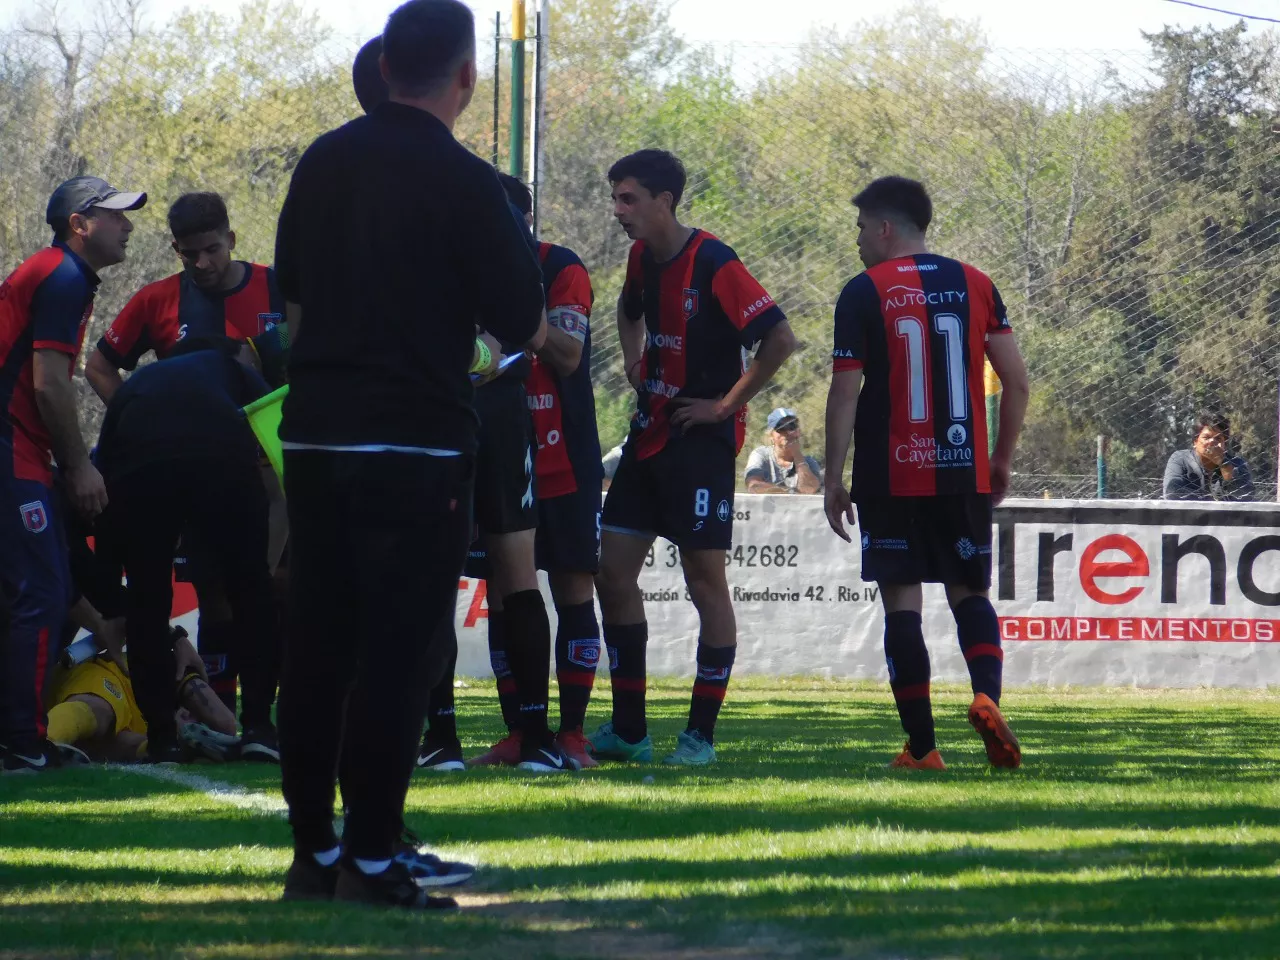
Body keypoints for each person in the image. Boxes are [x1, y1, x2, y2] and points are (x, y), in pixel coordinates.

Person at [274, 0, 545, 910]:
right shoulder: (467, 180)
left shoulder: (322, 161)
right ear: (467, 78)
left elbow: (293, 305)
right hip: (418, 443)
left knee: (316, 647)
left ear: (385, 67)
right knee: (397, 656)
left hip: (313, 433)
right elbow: (519, 321)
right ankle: (375, 861)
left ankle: (312, 853)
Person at [589, 149, 796, 767]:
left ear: (664, 202)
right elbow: (628, 313)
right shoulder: (638, 260)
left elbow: (779, 339)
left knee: (705, 581)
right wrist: (634, 363)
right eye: (616, 198)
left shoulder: (714, 261)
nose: (619, 210)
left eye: (629, 199)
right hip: (646, 438)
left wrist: (722, 406)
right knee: (612, 573)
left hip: (699, 449)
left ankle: (699, 737)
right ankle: (630, 730)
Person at [823, 175, 1029, 771]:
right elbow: (1015, 381)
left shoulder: (862, 292)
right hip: (963, 468)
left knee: (901, 606)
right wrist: (1001, 459)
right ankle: (986, 695)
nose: (858, 239)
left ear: (885, 228)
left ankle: (922, 748)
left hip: (892, 473)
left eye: (861, 227)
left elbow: (844, 393)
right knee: (971, 591)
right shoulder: (977, 284)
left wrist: (834, 477)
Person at [85, 191, 287, 729]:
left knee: (270, 584)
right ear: (176, 249)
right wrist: (147, 426)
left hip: (266, 466)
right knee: (213, 590)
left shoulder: (281, 288)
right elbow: (100, 367)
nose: (202, 263)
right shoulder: (156, 300)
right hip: (195, 467)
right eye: (189, 253)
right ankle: (215, 712)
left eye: (212, 250)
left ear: (233, 240)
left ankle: (270, 714)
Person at [453, 173, 602, 772]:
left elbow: (566, 356)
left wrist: (518, 320)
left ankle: (570, 734)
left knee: (572, 589)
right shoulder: (459, 270)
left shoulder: (561, 266)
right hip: (494, 452)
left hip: (562, 456)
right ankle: (520, 731)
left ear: (522, 221)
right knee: (505, 588)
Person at [0, 175, 145, 774]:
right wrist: (79, 466)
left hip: (21, 449)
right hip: (10, 449)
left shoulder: (63, 275)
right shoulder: (61, 275)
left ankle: (20, 736)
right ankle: (18, 741)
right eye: (114, 215)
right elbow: (49, 382)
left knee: (45, 590)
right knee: (39, 593)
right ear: (79, 225)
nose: (128, 224)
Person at [94, 336, 278, 764]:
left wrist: (106, 578)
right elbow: (278, 427)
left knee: (147, 600)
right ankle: (257, 727)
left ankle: (162, 735)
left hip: (142, 466)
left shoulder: (141, 381)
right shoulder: (234, 367)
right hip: (217, 456)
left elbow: (105, 466)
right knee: (251, 590)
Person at [46, 627, 240, 763]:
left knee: (101, 731)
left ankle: (47, 742)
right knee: (99, 711)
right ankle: (43, 742)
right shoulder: (172, 679)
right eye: (198, 724)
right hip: (110, 668)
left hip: (111, 721)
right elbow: (226, 724)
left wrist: (186, 748)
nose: (195, 726)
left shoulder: (147, 743)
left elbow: (111, 746)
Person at [1163, 412, 1255, 501]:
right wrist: (1214, 502)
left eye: (1218, 438)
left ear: (1224, 444)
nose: (1212, 442)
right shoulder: (1180, 458)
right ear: (1195, 441)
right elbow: (1172, 491)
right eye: (1206, 438)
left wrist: (1224, 464)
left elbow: (1247, 496)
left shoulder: (1237, 463)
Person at [744, 407, 823, 494]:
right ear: (771, 435)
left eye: (792, 426)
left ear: (798, 432)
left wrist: (798, 456)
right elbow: (754, 486)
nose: (788, 432)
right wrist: (789, 492)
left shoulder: (808, 462)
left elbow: (810, 489)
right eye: (781, 428)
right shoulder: (761, 455)